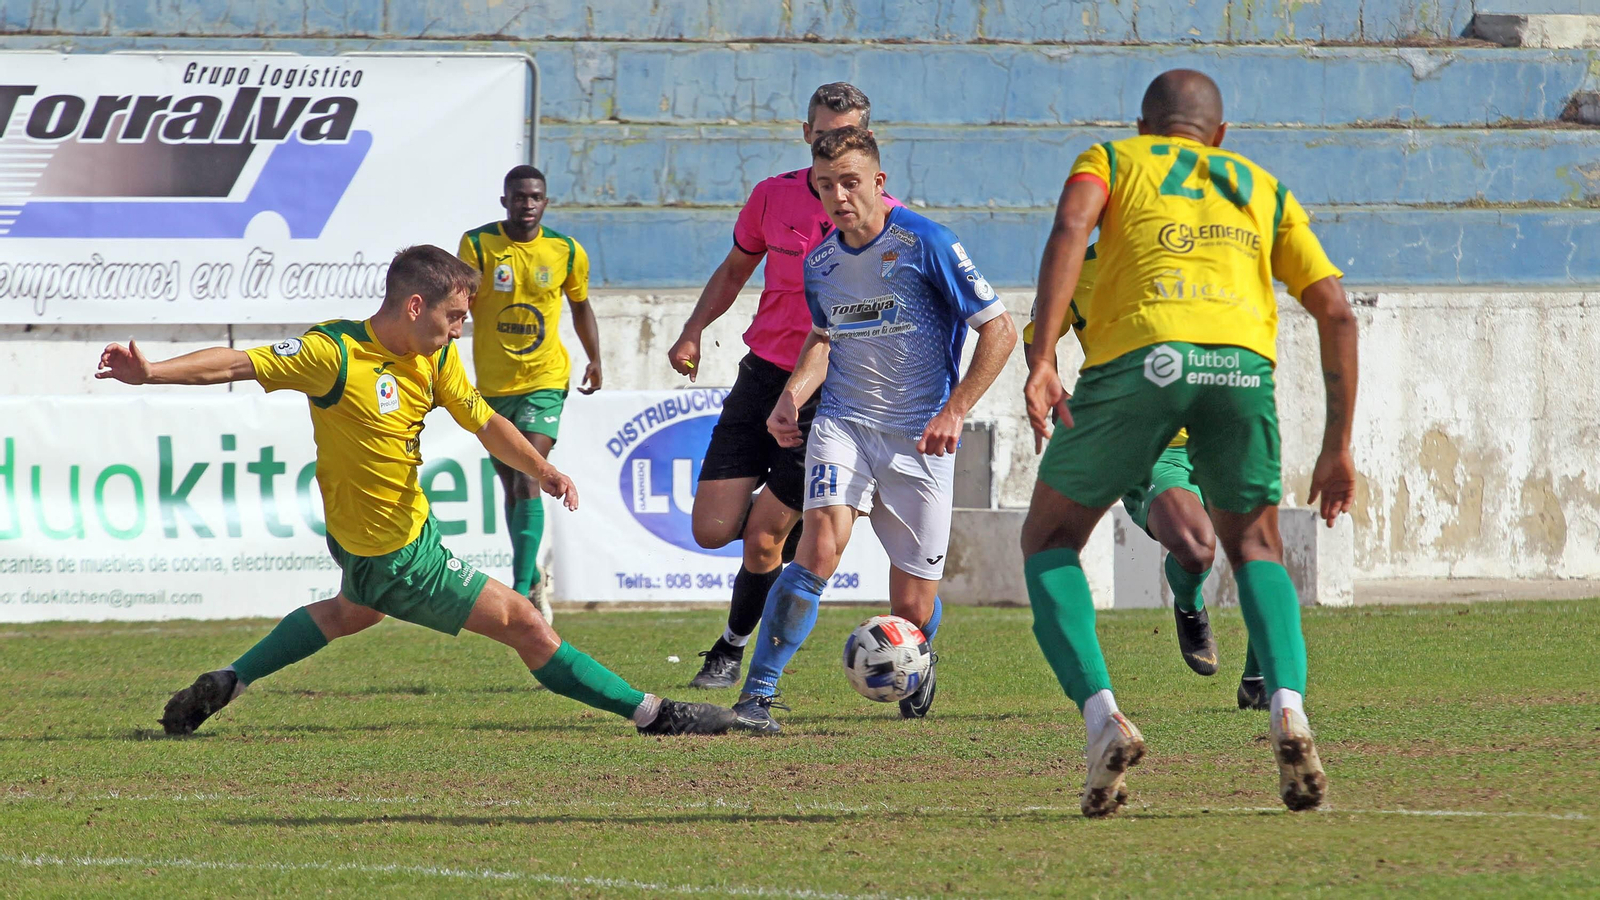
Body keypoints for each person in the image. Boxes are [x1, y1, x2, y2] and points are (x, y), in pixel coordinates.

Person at [96, 245, 735, 738]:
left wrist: (542, 470)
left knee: (354, 611)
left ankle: (230, 680)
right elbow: (240, 363)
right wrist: (151, 372)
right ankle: (653, 714)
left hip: (386, 533)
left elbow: (483, 420)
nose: (459, 329)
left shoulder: (430, 357)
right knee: (526, 624)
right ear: (413, 307)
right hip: (394, 550)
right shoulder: (333, 353)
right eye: (454, 316)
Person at [1020, 70, 1358, 817]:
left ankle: (1103, 716)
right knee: (1258, 549)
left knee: (1048, 539)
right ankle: (1289, 711)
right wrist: (1337, 446)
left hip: (1142, 361)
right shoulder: (1259, 184)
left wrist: (1043, 357)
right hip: (1240, 367)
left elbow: (1072, 229)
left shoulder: (1112, 160)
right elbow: (1336, 310)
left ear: (1144, 128)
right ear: (1222, 135)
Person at [731, 126, 1018, 732]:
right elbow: (824, 338)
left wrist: (956, 408)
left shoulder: (927, 243)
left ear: (879, 183)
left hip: (919, 437)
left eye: (851, 182)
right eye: (825, 185)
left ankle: (917, 656)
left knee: (912, 609)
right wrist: (791, 397)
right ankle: (757, 695)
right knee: (816, 550)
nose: (838, 196)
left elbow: (1000, 329)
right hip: (845, 424)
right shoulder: (822, 263)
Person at [667, 83, 901, 690]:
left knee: (764, 536)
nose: (834, 149)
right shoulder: (770, 196)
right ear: (807, 135)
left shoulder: (889, 217)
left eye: (848, 137)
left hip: (833, 388)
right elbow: (735, 268)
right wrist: (694, 329)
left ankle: (731, 649)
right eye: (824, 136)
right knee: (713, 530)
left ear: (868, 146)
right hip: (763, 373)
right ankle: (812, 518)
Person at [1022, 244, 1269, 709]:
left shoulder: (1207, 258)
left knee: (1258, 546)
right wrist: (1056, 393)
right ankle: (1189, 604)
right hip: (1146, 444)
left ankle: (1258, 679)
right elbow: (1040, 339)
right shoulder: (1074, 267)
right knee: (1196, 549)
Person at [458, 165, 602, 623]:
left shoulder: (564, 250)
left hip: (544, 380)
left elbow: (581, 307)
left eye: (535, 196)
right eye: (518, 197)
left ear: (546, 201)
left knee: (528, 477)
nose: (527, 204)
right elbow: (457, 303)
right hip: (493, 386)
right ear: (505, 201)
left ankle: (520, 592)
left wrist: (595, 358)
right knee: (511, 486)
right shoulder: (478, 245)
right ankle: (533, 575)